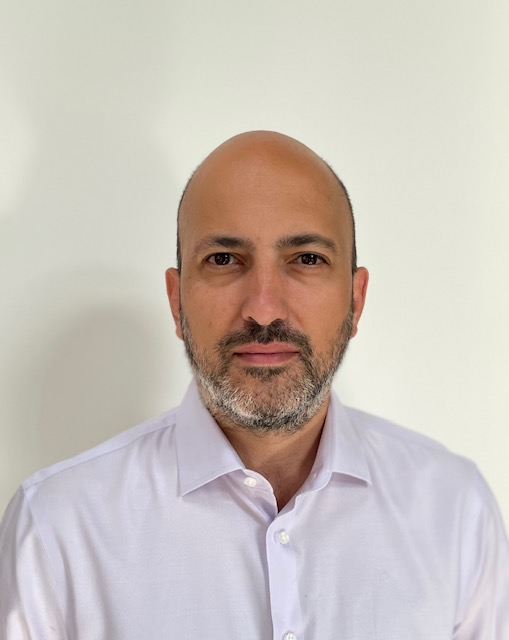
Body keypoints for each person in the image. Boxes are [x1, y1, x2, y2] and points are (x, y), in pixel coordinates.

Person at [0, 131, 508, 639]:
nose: (263, 309)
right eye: (224, 259)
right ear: (177, 302)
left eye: (306, 258)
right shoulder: (57, 528)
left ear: (356, 300)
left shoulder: (456, 512)